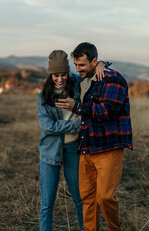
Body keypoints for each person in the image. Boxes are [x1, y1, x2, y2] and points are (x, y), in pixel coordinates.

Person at [56, 42, 133, 231]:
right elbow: (58, 79)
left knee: (105, 196)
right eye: (75, 65)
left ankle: (115, 228)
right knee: (88, 199)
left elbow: (107, 111)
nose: (78, 69)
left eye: (82, 65)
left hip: (108, 147)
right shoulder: (87, 78)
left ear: (94, 61)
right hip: (87, 147)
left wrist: (77, 107)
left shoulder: (112, 79)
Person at [37, 50, 105, 231]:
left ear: (68, 73)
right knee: (47, 203)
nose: (60, 79)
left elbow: (90, 70)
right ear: (51, 75)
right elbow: (48, 127)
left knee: (80, 198)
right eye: (56, 75)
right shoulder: (44, 97)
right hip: (50, 152)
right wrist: (78, 125)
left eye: (63, 74)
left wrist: (101, 64)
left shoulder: (75, 84)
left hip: (74, 149)